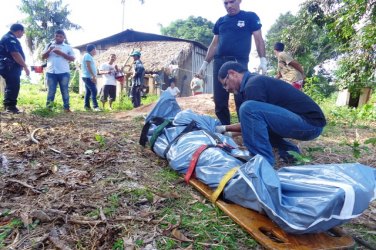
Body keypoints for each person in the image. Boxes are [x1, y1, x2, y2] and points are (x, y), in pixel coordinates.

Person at [216, 61, 326, 166]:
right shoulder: (254, 81)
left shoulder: (253, 85)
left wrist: (224, 128)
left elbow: (251, 121)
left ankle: (262, 163)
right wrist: (228, 132)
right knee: (259, 124)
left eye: (225, 84)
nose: (226, 89)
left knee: (248, 108)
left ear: (232, 73)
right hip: (309, 124)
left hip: (310, 124)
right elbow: (254, 125)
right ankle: (290, 152)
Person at [198, 0, 267, 125]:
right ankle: (225, 128)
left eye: (232, 1)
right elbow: (214, 45)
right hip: (219, 62)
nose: (229, 6)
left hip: (238, 62)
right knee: (219, 100)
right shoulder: (220, 21)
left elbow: (259, 39)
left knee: (241, 97)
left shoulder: (250, 17)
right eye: (225, 3)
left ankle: (245, 128)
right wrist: (205, 63)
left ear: (239, 1)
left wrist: (263, 59)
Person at [42, 29, 75, 112]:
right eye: (56, 36)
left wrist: (61, 53)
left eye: (60, 36)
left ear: (64, 38)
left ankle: (66, 108)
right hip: (51, 72)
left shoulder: (68, 47)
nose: (58, 38)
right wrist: (49, 50)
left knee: (65, 91)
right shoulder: (49, 45)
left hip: (64, 73)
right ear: (54, 36)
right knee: (51, 91)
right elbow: (43, 57)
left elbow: (72, 59)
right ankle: (49, 108)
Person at [0, 23, 30, 114]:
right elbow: (15, 54)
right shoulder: (10, 38)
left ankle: (10, 106)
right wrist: (25, 66)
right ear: (19, 31)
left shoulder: (9, 38)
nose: (22, 34)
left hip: (10, 65)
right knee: (13, 85)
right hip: (9, 65)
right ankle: (10, 107)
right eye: (22, 32)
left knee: (12, 85)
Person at [81, 44, 101, 111]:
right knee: (94, 90)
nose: (96, 51)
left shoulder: (89, 56)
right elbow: (88, 66)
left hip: (87, 76)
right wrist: (93, 75)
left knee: (88, 92)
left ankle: (87, 106)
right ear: (92, 50)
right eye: (95, 49)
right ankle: (95, 106)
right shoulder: (87, 55)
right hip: (88, 76)